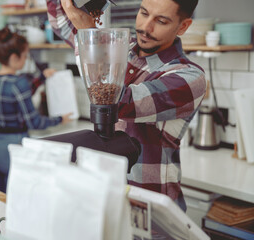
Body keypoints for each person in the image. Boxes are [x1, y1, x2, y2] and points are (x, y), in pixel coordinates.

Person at [47, 0, 206, 211]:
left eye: (161, 21)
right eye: (144, 13)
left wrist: (89, 34)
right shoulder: (120, 46)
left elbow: (116, 100)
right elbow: (61, 22)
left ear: (183, 26)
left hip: (152, 215)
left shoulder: (189, 77)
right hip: (108, 205)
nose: (145, 27)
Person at [0, 26, 72, 192]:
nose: (26, 60)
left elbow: (17, 96)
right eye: (25, 56)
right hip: (13, 150)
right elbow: (35, 122)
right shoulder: (19, 83)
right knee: (15, 204)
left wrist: (41, 78)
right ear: (14, 57)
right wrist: (60, 119)